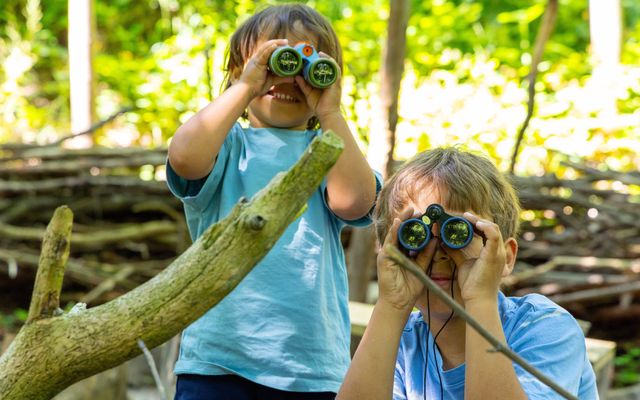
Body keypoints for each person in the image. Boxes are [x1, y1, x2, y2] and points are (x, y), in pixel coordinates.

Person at [166, 3, 380, 399]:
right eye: (274, 61)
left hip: (309, 367)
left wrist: (330, 111)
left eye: (305, 65)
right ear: (236, 72)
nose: (289, 76)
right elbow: (184, 156)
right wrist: (247, 87)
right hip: (218, 359)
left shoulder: (330, 152)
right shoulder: (226, 147)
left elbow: (355, 202)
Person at [336, 147, 598, 400]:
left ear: (506, 257)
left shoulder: (543, 327)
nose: (438, 253)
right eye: (416, 235)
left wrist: (480, 300)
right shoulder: (401, 344)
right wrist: (391, 306)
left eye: (459, 233)